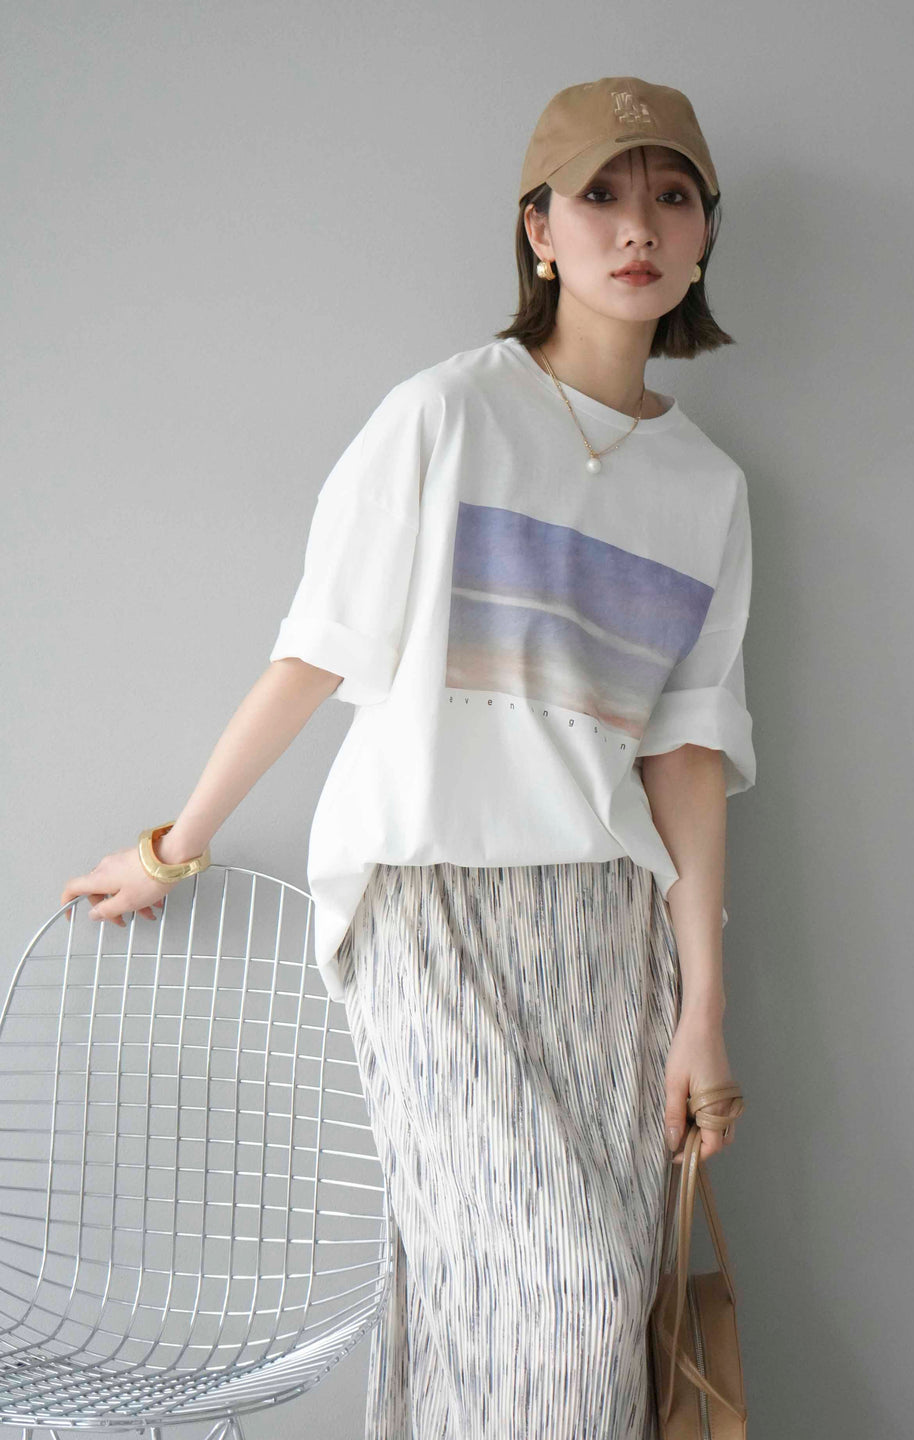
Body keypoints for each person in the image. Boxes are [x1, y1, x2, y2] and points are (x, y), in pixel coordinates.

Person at [60, 75, 757, 1440]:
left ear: (703, 236)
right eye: (600, 195)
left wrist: (703, 1005)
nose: (638, 227)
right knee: (552, 1294)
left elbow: (685, 755)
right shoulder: (446, 415)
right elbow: (315, 654)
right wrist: (171, 847)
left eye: (672, 197)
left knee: (572, 1302)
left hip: (612, 932)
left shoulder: (709, 490)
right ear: (538, 230)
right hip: (430, 914)